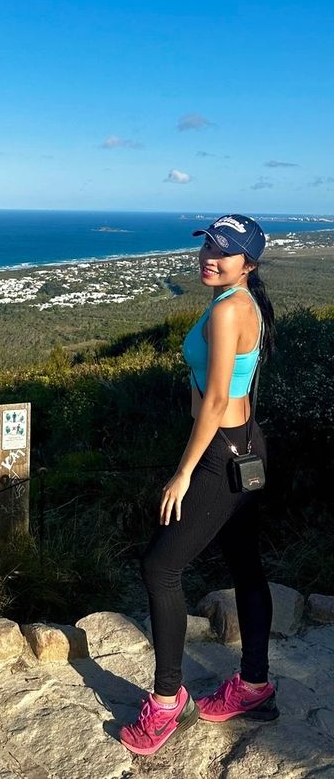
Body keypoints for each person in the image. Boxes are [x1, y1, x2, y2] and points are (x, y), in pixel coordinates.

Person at [120, 214, 278, 757]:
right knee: (245, 566)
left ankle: (166, 702)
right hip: (246, 446)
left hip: (221, 455)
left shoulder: (231, 308)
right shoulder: (236, 301)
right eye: (208, 244)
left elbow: (213, 400)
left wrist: (184, 471)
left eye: (225, 250)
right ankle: (254, 685)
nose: (210, 255)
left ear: (249, 263)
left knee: (160, 566)